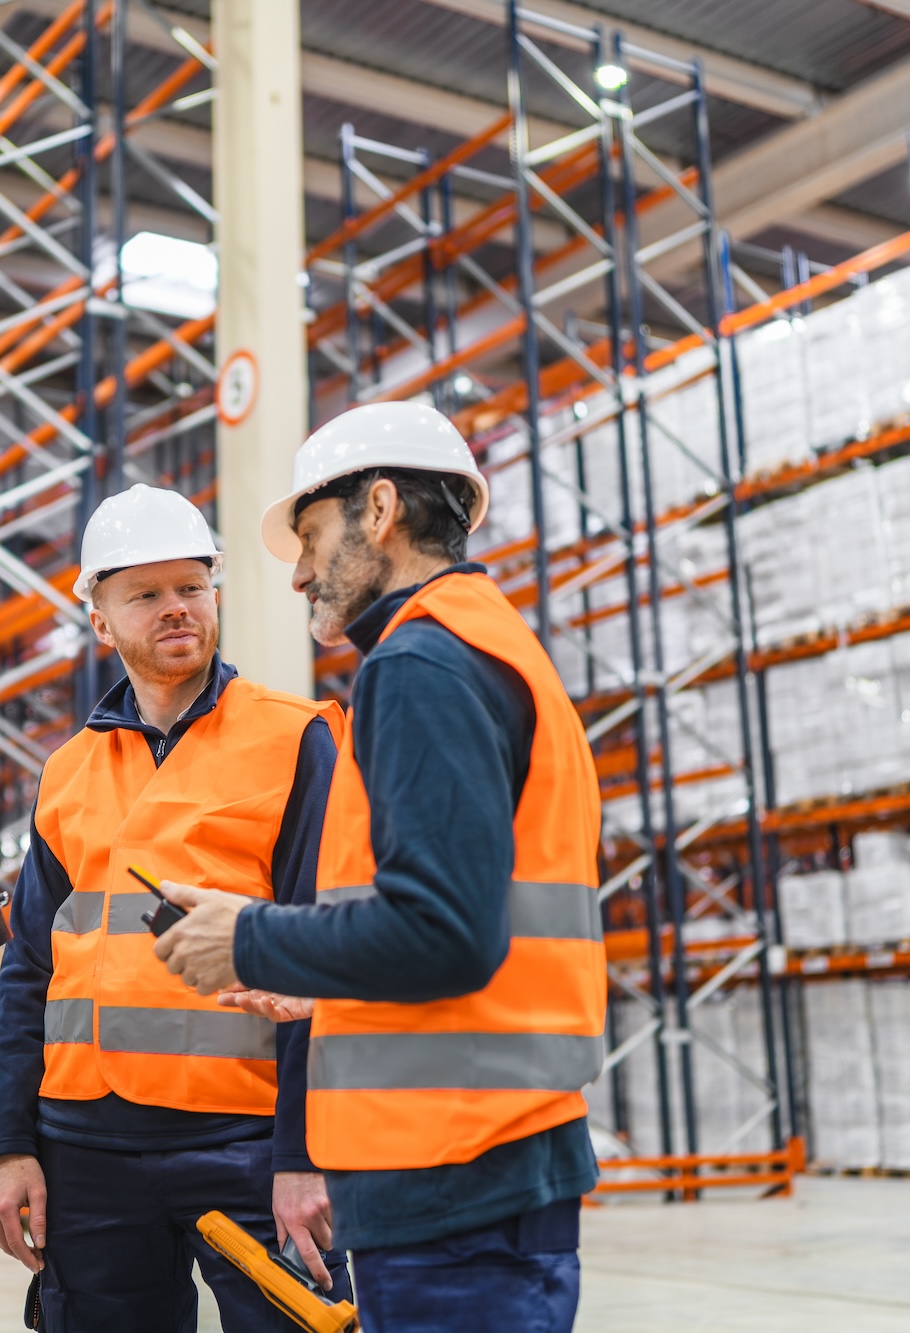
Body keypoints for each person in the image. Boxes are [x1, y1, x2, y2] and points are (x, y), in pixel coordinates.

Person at [151, 401, 606, 1332]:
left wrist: (248, 937)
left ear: (381, 509)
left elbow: (442, 930)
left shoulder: (420, 666)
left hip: (453, 1176)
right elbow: (477, 931)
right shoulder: (490, 645)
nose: (301, 574)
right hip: (489, 1157)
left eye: (310, 537)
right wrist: (317, 986)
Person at [0, 484, 352, 1332]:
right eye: (144, 594)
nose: (175, 607)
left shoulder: (294, 738)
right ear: (101, 620)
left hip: (248, 1142)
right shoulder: (67, 771)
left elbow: (327, 959)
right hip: (84, 1149)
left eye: (191, 586)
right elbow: (30, 970)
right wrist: (13, 1147)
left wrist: (307, 1156)